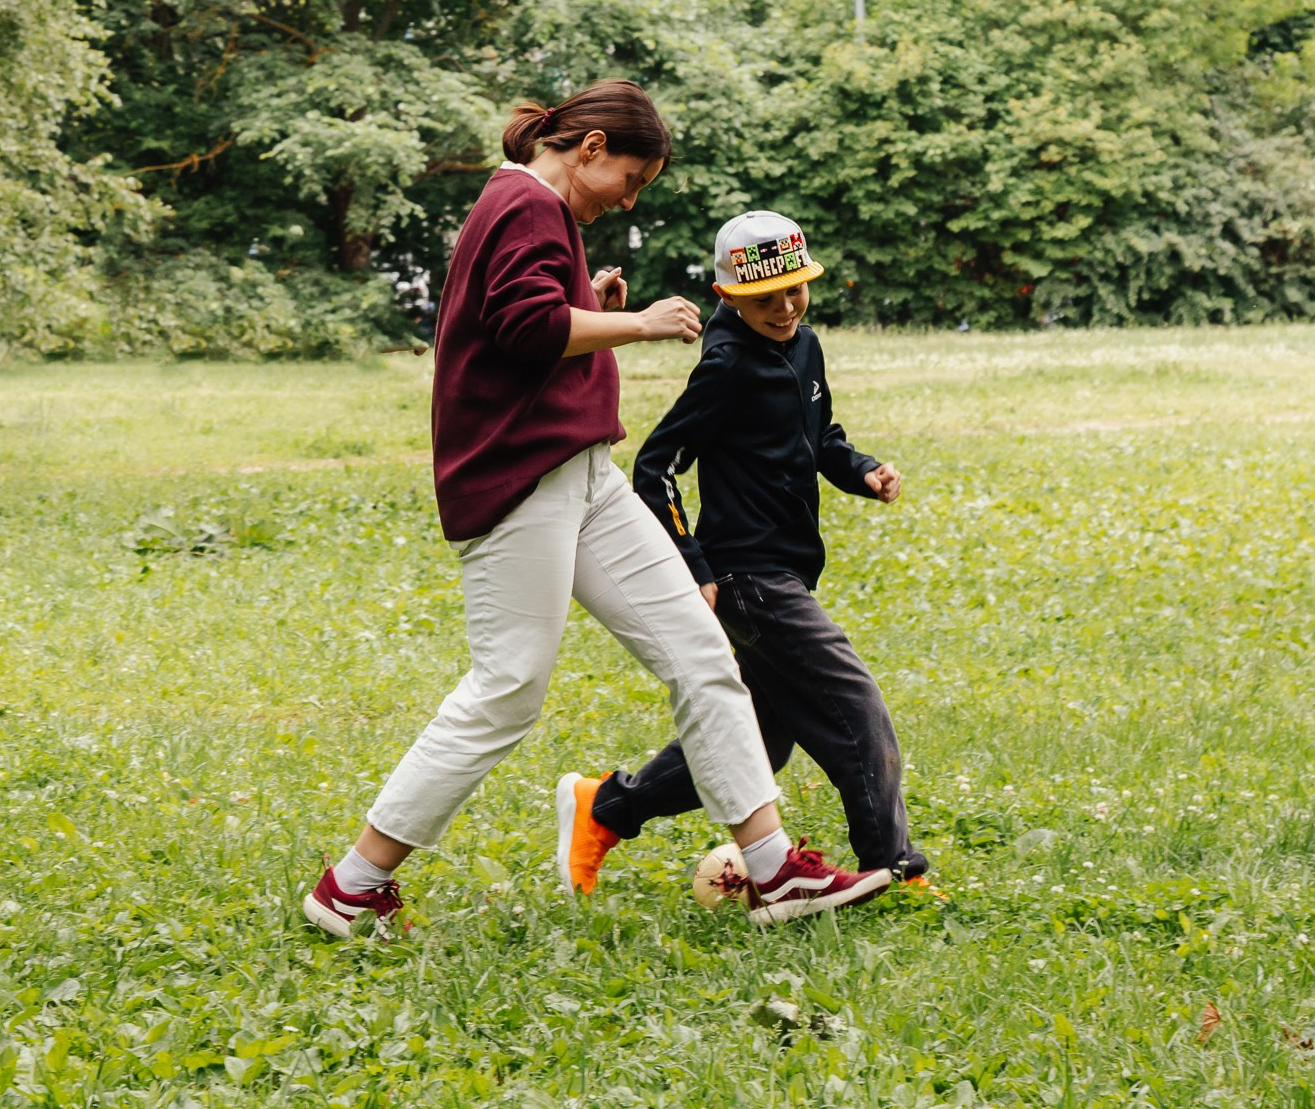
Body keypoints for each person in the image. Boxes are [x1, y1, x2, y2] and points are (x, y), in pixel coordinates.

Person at [303, 83, 889, 937]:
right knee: (508, 687)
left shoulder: (540, 213)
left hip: (586, 475)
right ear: (590, 148)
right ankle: (353, 885)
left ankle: (773, 872)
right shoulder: (524, 204)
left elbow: (531, 330)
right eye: (631, 178)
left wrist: (593, 311)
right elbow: (523, 328)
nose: (629, 199)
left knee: (702, 654)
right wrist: (640, 324)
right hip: (522, 482)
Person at [555, 210, 932, 894]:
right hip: (750, 576)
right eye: (766, 299)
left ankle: (607, 807)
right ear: (728, 295)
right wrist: (693, 563)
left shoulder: (804, 346)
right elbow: (656, 465)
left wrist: (862, 470)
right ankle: (895, 868)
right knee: (855, 704)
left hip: (787, 569)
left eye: (796, 290)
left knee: (760, 740)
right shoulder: (726, 365)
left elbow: (820, 434)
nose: (785, 308)